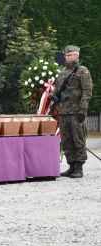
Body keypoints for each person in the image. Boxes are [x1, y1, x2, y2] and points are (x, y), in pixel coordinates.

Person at [51, 45, 93, 178]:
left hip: (76, 112)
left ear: (76, 55)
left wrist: (83, 110)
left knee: (78, 139)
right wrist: (54, 95)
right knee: (66, 140)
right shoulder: (63, 71)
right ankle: (71, 166)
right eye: (66, 55)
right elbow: (57, 88)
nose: (66, 57)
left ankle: (79, 167)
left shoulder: (82, 71)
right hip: (63, 111)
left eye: (69, 55)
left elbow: (87, 91)